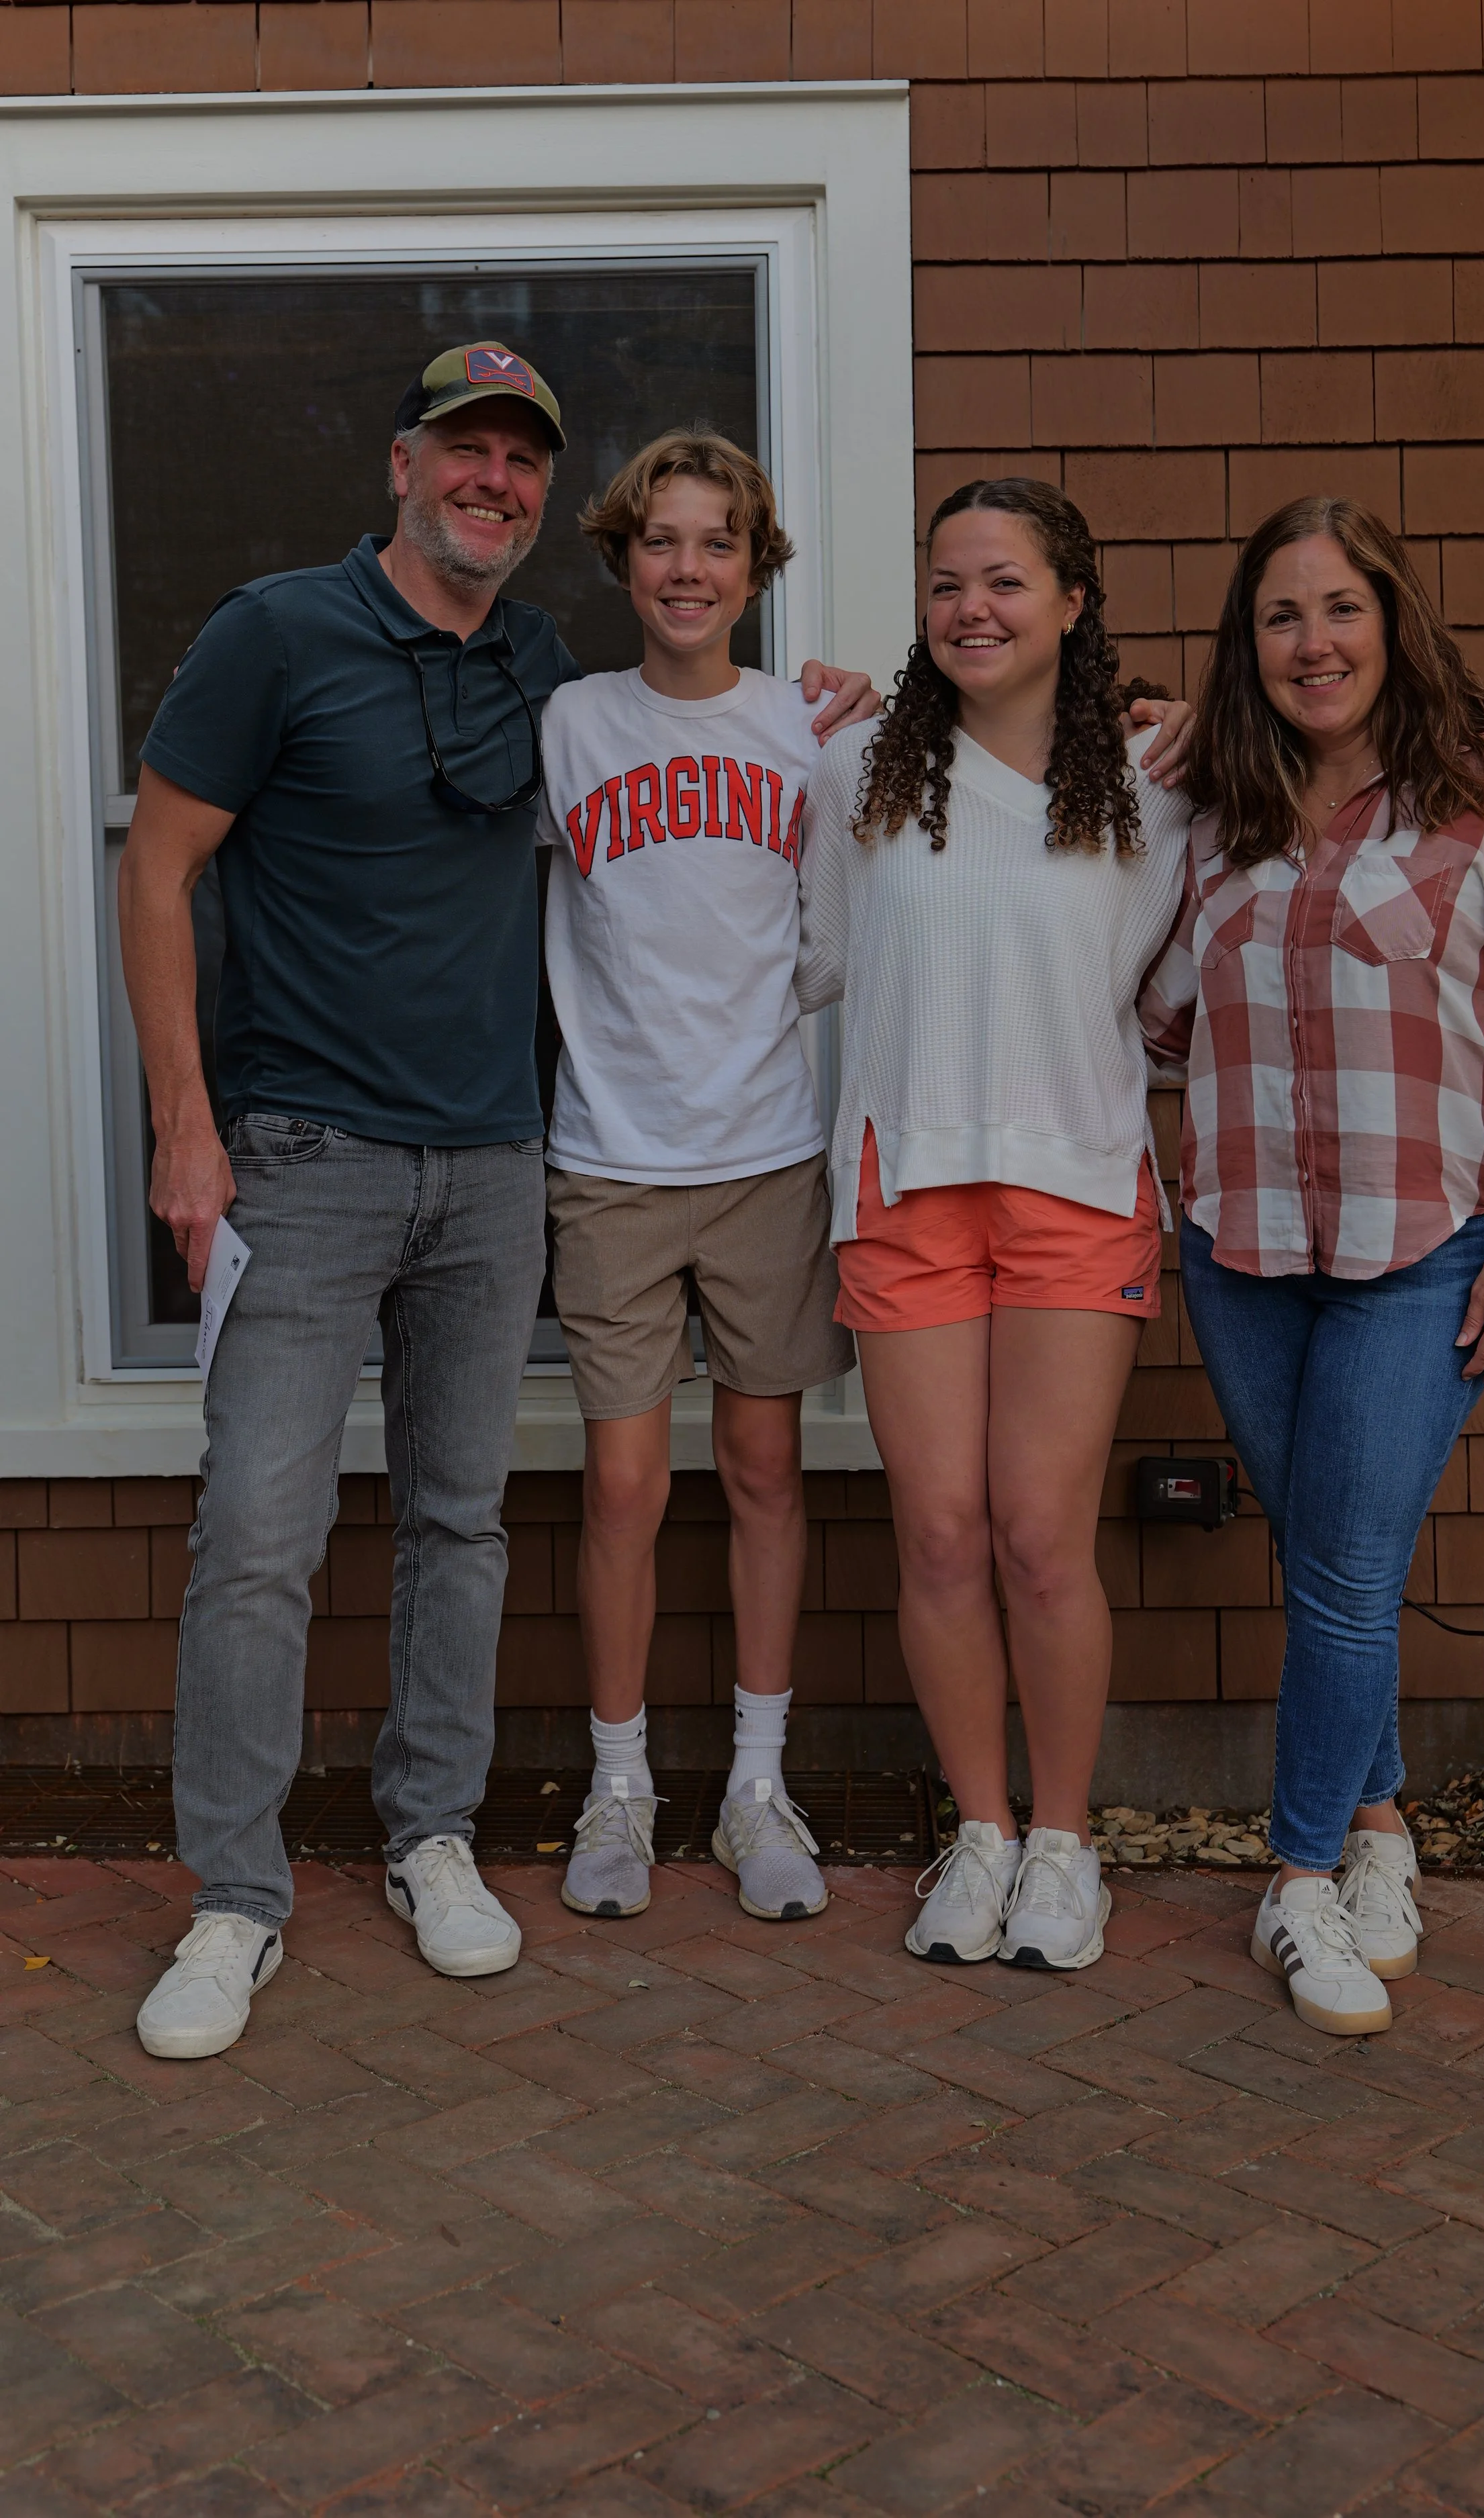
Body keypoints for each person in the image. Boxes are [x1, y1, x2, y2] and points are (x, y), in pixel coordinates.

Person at [118, 347, 875, 2060]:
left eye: (521, 462)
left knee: (459, 1522)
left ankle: (428, 1835)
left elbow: (720, 814)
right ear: (401, 464)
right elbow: (156, 865)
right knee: (256, 1537)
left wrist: (833, 699)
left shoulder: (541, 669)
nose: (493, 482)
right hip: (302, 1156)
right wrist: (186, 1123)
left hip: (494, 1161)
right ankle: (234, 1899)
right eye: (465, 451)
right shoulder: (273, 633)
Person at [1139, 496, 1484, 2039]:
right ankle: (1382, 1828)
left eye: (1337, 609)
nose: (1311, 642)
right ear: (1244, 647)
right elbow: (1149, 1015)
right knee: (1335, 1563)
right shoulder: (1211, 809)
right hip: (1243, 1250)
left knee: (1340, 1577)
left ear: (1392, 619)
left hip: (1422, 1256)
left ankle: (1291, 1879)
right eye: (1278, 617)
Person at [798, 477, 1194, 1972]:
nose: (972, 606)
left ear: (1071, 604)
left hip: (1078, 1185)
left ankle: (1062, 1844)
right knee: (942, 1532)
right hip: (902, 1186)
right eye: (947, 581)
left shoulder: (1161, 769)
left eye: (1006, 581)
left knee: (1038, 1537)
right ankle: (975, 1832)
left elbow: (1334, 749)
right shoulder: (855, 769)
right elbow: (800, 953)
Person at [535, 431, 856, 1925]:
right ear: (621, 561)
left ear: (754, 565)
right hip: (608, 1157)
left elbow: (833, 927)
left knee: (764, 1471)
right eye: (659, 540)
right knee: (619, 1481)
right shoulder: (569, 727)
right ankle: (617, 1783)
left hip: (765, 1158)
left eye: (715, 541)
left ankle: (753, 1781)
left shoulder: (806, 731)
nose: (685, 567)